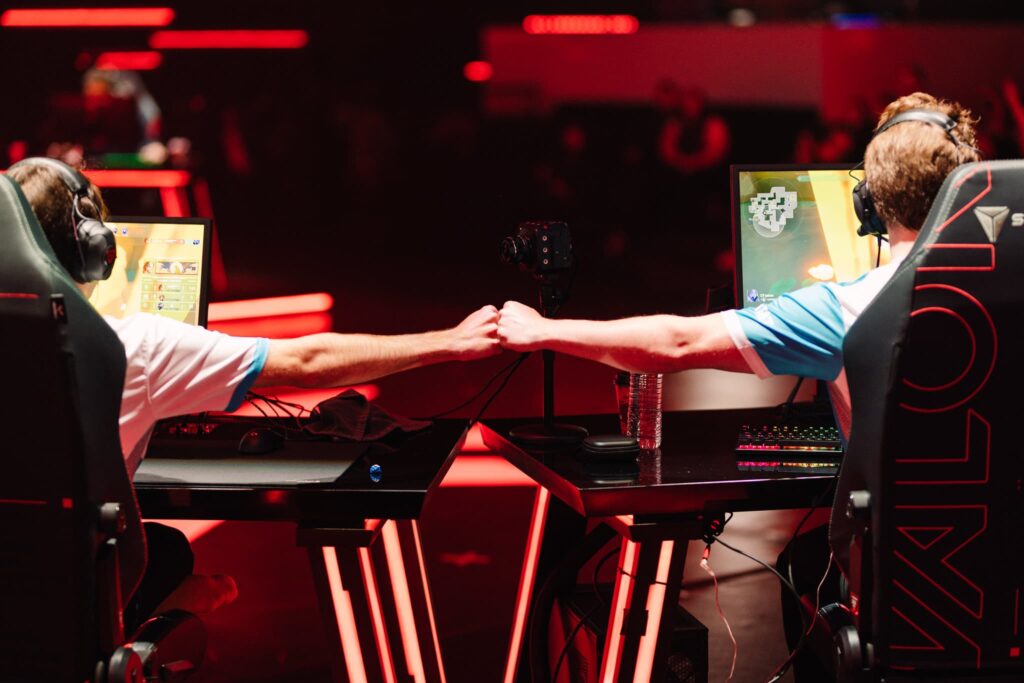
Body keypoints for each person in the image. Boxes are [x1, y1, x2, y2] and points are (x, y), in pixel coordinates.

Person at [497, 92, 981, 680]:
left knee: (808, 567)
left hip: (905, 583)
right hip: (997, 581)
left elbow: (676, 343)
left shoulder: (847, 309)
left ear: (870, 206)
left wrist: (545, 330)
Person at [8, 157, 501, 631]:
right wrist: (449, 342)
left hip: (21, 589)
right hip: (75, 599)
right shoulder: (131, 344)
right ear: (93, 248)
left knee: (162, 548)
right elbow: (307, 362)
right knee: (172, 559)